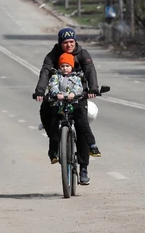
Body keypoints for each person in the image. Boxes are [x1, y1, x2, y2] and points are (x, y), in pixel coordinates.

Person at [34, 27, 100, 185]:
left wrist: (93, 89)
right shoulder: (52, 55)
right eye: (65, 42)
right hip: (58, 94)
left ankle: (83, 167)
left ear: (75, 41)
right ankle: (54, 145)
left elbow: (90, 70)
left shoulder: (82, 54)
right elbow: (45, 72)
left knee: (81, 124)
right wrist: (40, 91)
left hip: (77, 95)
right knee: (45, 110)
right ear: (60, 43)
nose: (69, 45)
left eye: (71, 42)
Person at [46, 53, 101, 165]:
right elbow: (52, 87)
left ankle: (92, 145)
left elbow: (79, 88)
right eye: (62, 66)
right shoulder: (56, 77)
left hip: (74, 104)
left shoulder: (76, 77)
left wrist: (73, 93)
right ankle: (53, 153)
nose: (65, 68)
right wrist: (57, 94)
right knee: (53, 127)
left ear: (72, 66)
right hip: (60, 105)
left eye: (67, 66)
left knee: (82, 122)